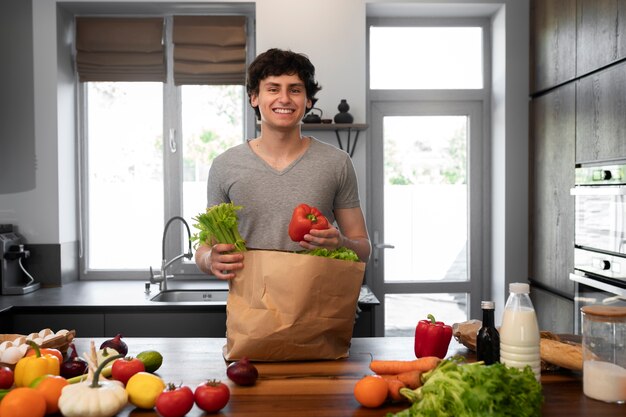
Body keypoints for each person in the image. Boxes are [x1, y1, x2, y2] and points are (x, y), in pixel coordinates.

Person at [195, 48, 371, 279]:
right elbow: (206, 247)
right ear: (254, 97)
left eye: (295, 90)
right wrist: (210, 259)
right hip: (253, 307)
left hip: (318, 305)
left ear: (308, 101)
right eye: (273, 88)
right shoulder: (225, 165)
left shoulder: (337, 163)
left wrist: (340, 242)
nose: (285, 98)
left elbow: (364, 249)